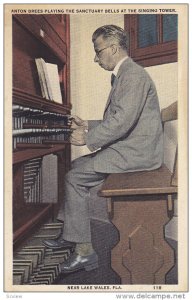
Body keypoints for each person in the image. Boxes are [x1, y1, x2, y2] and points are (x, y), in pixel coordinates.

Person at [43, 25, 163, 274]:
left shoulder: (133, 75)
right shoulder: (126, 74)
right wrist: (88, 125)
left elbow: (122, 122)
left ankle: (85, 253)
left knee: (74, 177)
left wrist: (86, 139)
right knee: (76, 167)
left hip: (138, 153)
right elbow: (122, 117)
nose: (95, 58)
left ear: (114, 48)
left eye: (98, 52)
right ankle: (72, 234)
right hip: (132, 146)